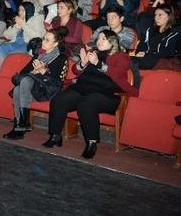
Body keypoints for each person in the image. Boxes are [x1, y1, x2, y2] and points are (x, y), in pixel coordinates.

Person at [43, 30, 138, 159]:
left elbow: (117, 73)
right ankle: (55, 136)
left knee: (86, 103)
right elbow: (76, 70)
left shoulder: (121, 57)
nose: (99, 41)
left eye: (103, 38)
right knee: (60, 99)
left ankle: (91, 143)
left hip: (107, 94)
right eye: (98, 38)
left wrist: (98, 63)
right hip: (84, 90)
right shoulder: (93, 54)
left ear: (113, 42)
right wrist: (82, 63)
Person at [2, 27, 69, 140]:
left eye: (47, 40)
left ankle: (21, 125)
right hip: (32, 89)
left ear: (56, 44)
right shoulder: (39, 55)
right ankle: (20, 126)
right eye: (44, 38)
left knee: (25, 83)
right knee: (20, 87)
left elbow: (58, 82)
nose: (43, 42)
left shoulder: (61, 59)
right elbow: (24, 72)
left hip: (48, 91)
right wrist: (34, 72)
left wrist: (43, 72)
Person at [130, 5, 180, 85]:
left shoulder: (174, 33)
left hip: (163, 60)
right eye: (155, 15)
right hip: (149, 58)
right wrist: (140, 52)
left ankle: (135, 87)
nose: (156, 18)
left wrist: (146, 54)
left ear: (169, 16)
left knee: (132, 62)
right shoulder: (150, 30)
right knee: (125, 58)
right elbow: (143, 45)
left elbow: (165, 52)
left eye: (160, 15)